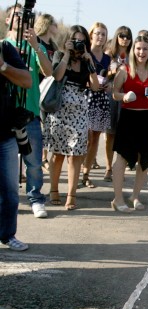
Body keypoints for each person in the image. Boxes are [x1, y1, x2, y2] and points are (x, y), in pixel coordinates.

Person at [43, 25, 99, 210]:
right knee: (58, 153)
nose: (79, 44)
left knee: (75, 155)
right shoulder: (60, 55)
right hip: (60, 108)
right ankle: (53, 190)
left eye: (82, 41)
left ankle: (71, 194)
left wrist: (90, 63)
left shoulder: (86, 60)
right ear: (68, 40)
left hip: (80, 109)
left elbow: (95, 87)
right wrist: (67, 53)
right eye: (75, 40)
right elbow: (57, 76)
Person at [5, 4, 53, 219]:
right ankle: (10, 200)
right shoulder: (3, 45)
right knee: (7, 162)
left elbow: (48, 71)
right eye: (14, 16)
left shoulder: (36, 46)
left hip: (29, 113)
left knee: (33, 162)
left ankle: (35, 198)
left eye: (22, 16)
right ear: (8, 20)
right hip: (5, 113)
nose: (19, 19)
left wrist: (35, 46)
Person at [111, 35, 148, 212]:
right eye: (138, 48)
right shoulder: (125, 69)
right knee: (121, 158)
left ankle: (135, 196)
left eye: (145, 49)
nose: (141, 52)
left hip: (147, 119)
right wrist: (124, 97)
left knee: (145, 160)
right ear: (133, 50)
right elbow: (115, 93)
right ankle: (117, 199)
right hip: (128, 118)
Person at [0, 39, 32, 251]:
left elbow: (27, 80)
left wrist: (2, 66)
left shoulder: (4, 48)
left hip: (5, 135)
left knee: (11, 191)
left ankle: (7, 235)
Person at [81, 22, 111, 189]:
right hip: (85, 98)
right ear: (91, 35)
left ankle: (86, 174)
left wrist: (108, 85)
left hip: (100, 99)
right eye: (97, 33)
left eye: (103, 34)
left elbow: (110, 78)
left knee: (94, 139)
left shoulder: (107, 58)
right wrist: (89, 83)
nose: (100, 37)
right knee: (84, 138)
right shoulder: (85, 54)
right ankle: (78, 171)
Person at [105, 26, 133, 181]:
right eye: (122, 35)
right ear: (117, 36)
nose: (125, 39)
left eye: (128, 36)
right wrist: (114, 72)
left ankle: (118, 168)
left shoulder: (132, 55)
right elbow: (101, 74)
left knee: (123, 136)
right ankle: (109, 168)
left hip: (126, 97)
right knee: (110, 135)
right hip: (111, 95)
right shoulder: (110, 53)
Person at [33, 13, 59, 172]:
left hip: (52, 90)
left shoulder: (54, 46)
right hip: (39, 88)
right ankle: (42, 159)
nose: (56, 26)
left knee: (48, 125)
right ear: (48, 24)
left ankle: (44, 158)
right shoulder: (37, 42)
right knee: (40, 125)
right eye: (55, 23)